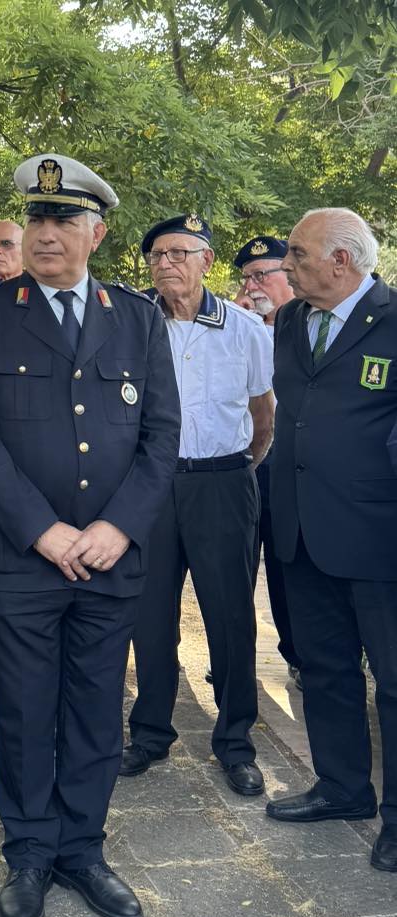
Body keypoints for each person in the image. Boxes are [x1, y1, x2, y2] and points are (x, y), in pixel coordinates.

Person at [0, 153, 180, 917]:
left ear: (96, 233)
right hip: (22, 559)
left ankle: (81, 849)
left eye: (63, 219)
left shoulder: (137, 318)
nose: (46, 233)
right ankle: (27, 853)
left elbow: (161, 434)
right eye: (37, 218)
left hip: (111, 559)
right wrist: (43, 530)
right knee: (22, 711)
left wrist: (117, 527)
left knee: (93, 709)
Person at [120, 215, 274, 798]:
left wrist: (235, 471)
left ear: (207, 260)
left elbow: (263, 416)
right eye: (157, 255)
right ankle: (150, 733)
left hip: (222, 484)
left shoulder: (245, 329)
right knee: (149, 614)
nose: (166, 264)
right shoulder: (134, 323)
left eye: (179, 253)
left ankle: (235, 742)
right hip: (152, 487)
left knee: (230, 616)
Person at [265, 208, 397, 875]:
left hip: (377, 534)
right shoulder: (291, 319)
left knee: (394, 682)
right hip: (300, 529)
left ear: (340, 260)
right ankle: (342, 787)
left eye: (296, 253)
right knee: (324, 668)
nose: (285, 265)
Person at [234, 235, 301, 690]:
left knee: (286, 569)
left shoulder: (308, 328)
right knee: (234, 569)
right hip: (241, 465)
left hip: (290, 469)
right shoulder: (234, 328)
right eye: (247, 278)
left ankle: (299, 655)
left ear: (289, 275)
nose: (253, 286)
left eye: (262, 275)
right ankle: (233, 658)